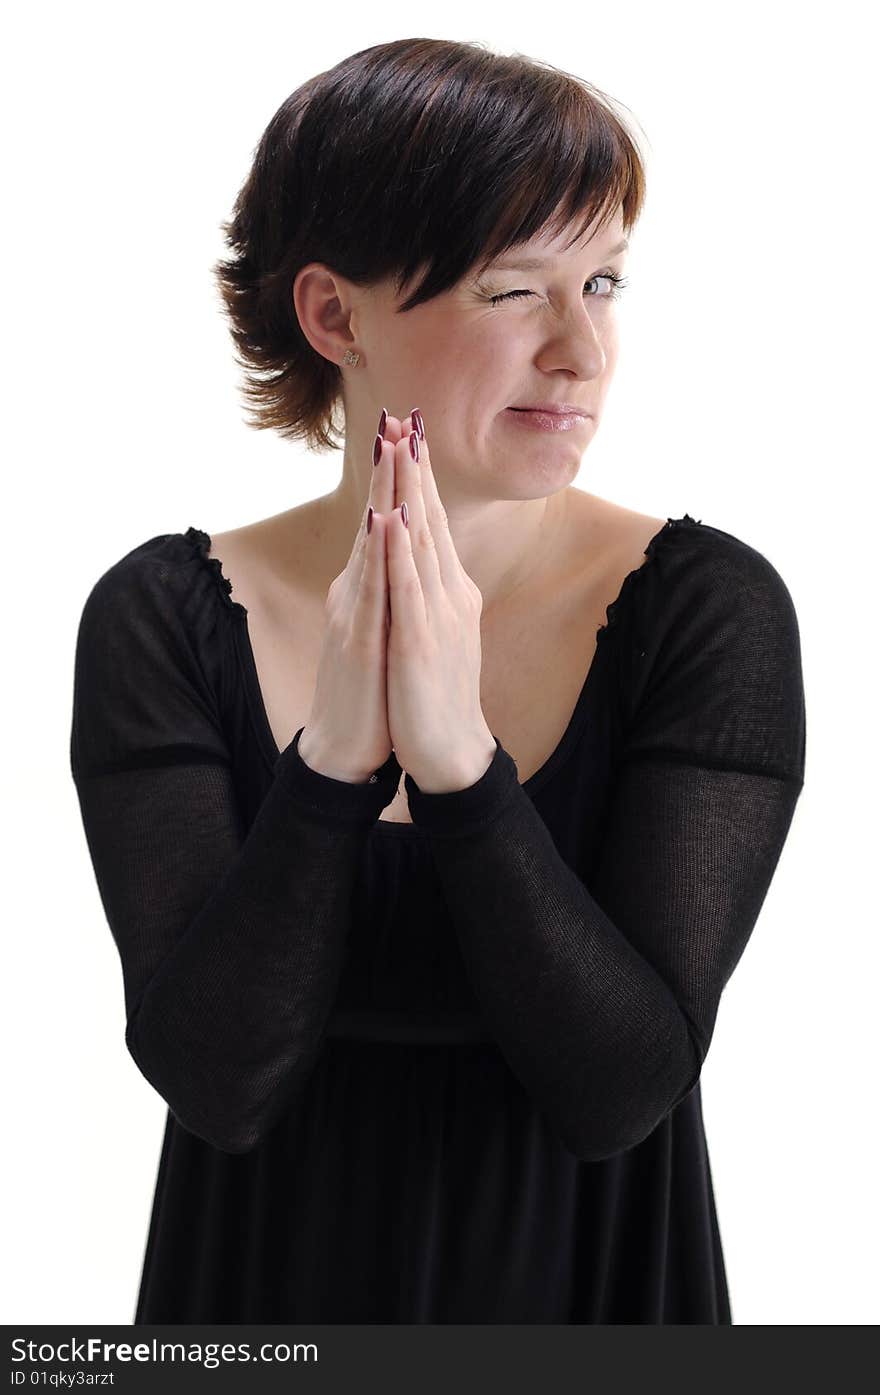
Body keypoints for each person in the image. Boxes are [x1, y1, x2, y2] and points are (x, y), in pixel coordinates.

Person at [69, 38, 806, 1324]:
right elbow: (217, 1081)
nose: (582, 353)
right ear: (334, 315)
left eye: (605, 281)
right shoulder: (161, 618)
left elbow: (620, 1090)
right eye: (517, 291)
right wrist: (331, 769)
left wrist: (462, 768)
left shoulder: (706, 611)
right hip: (255, 1311)